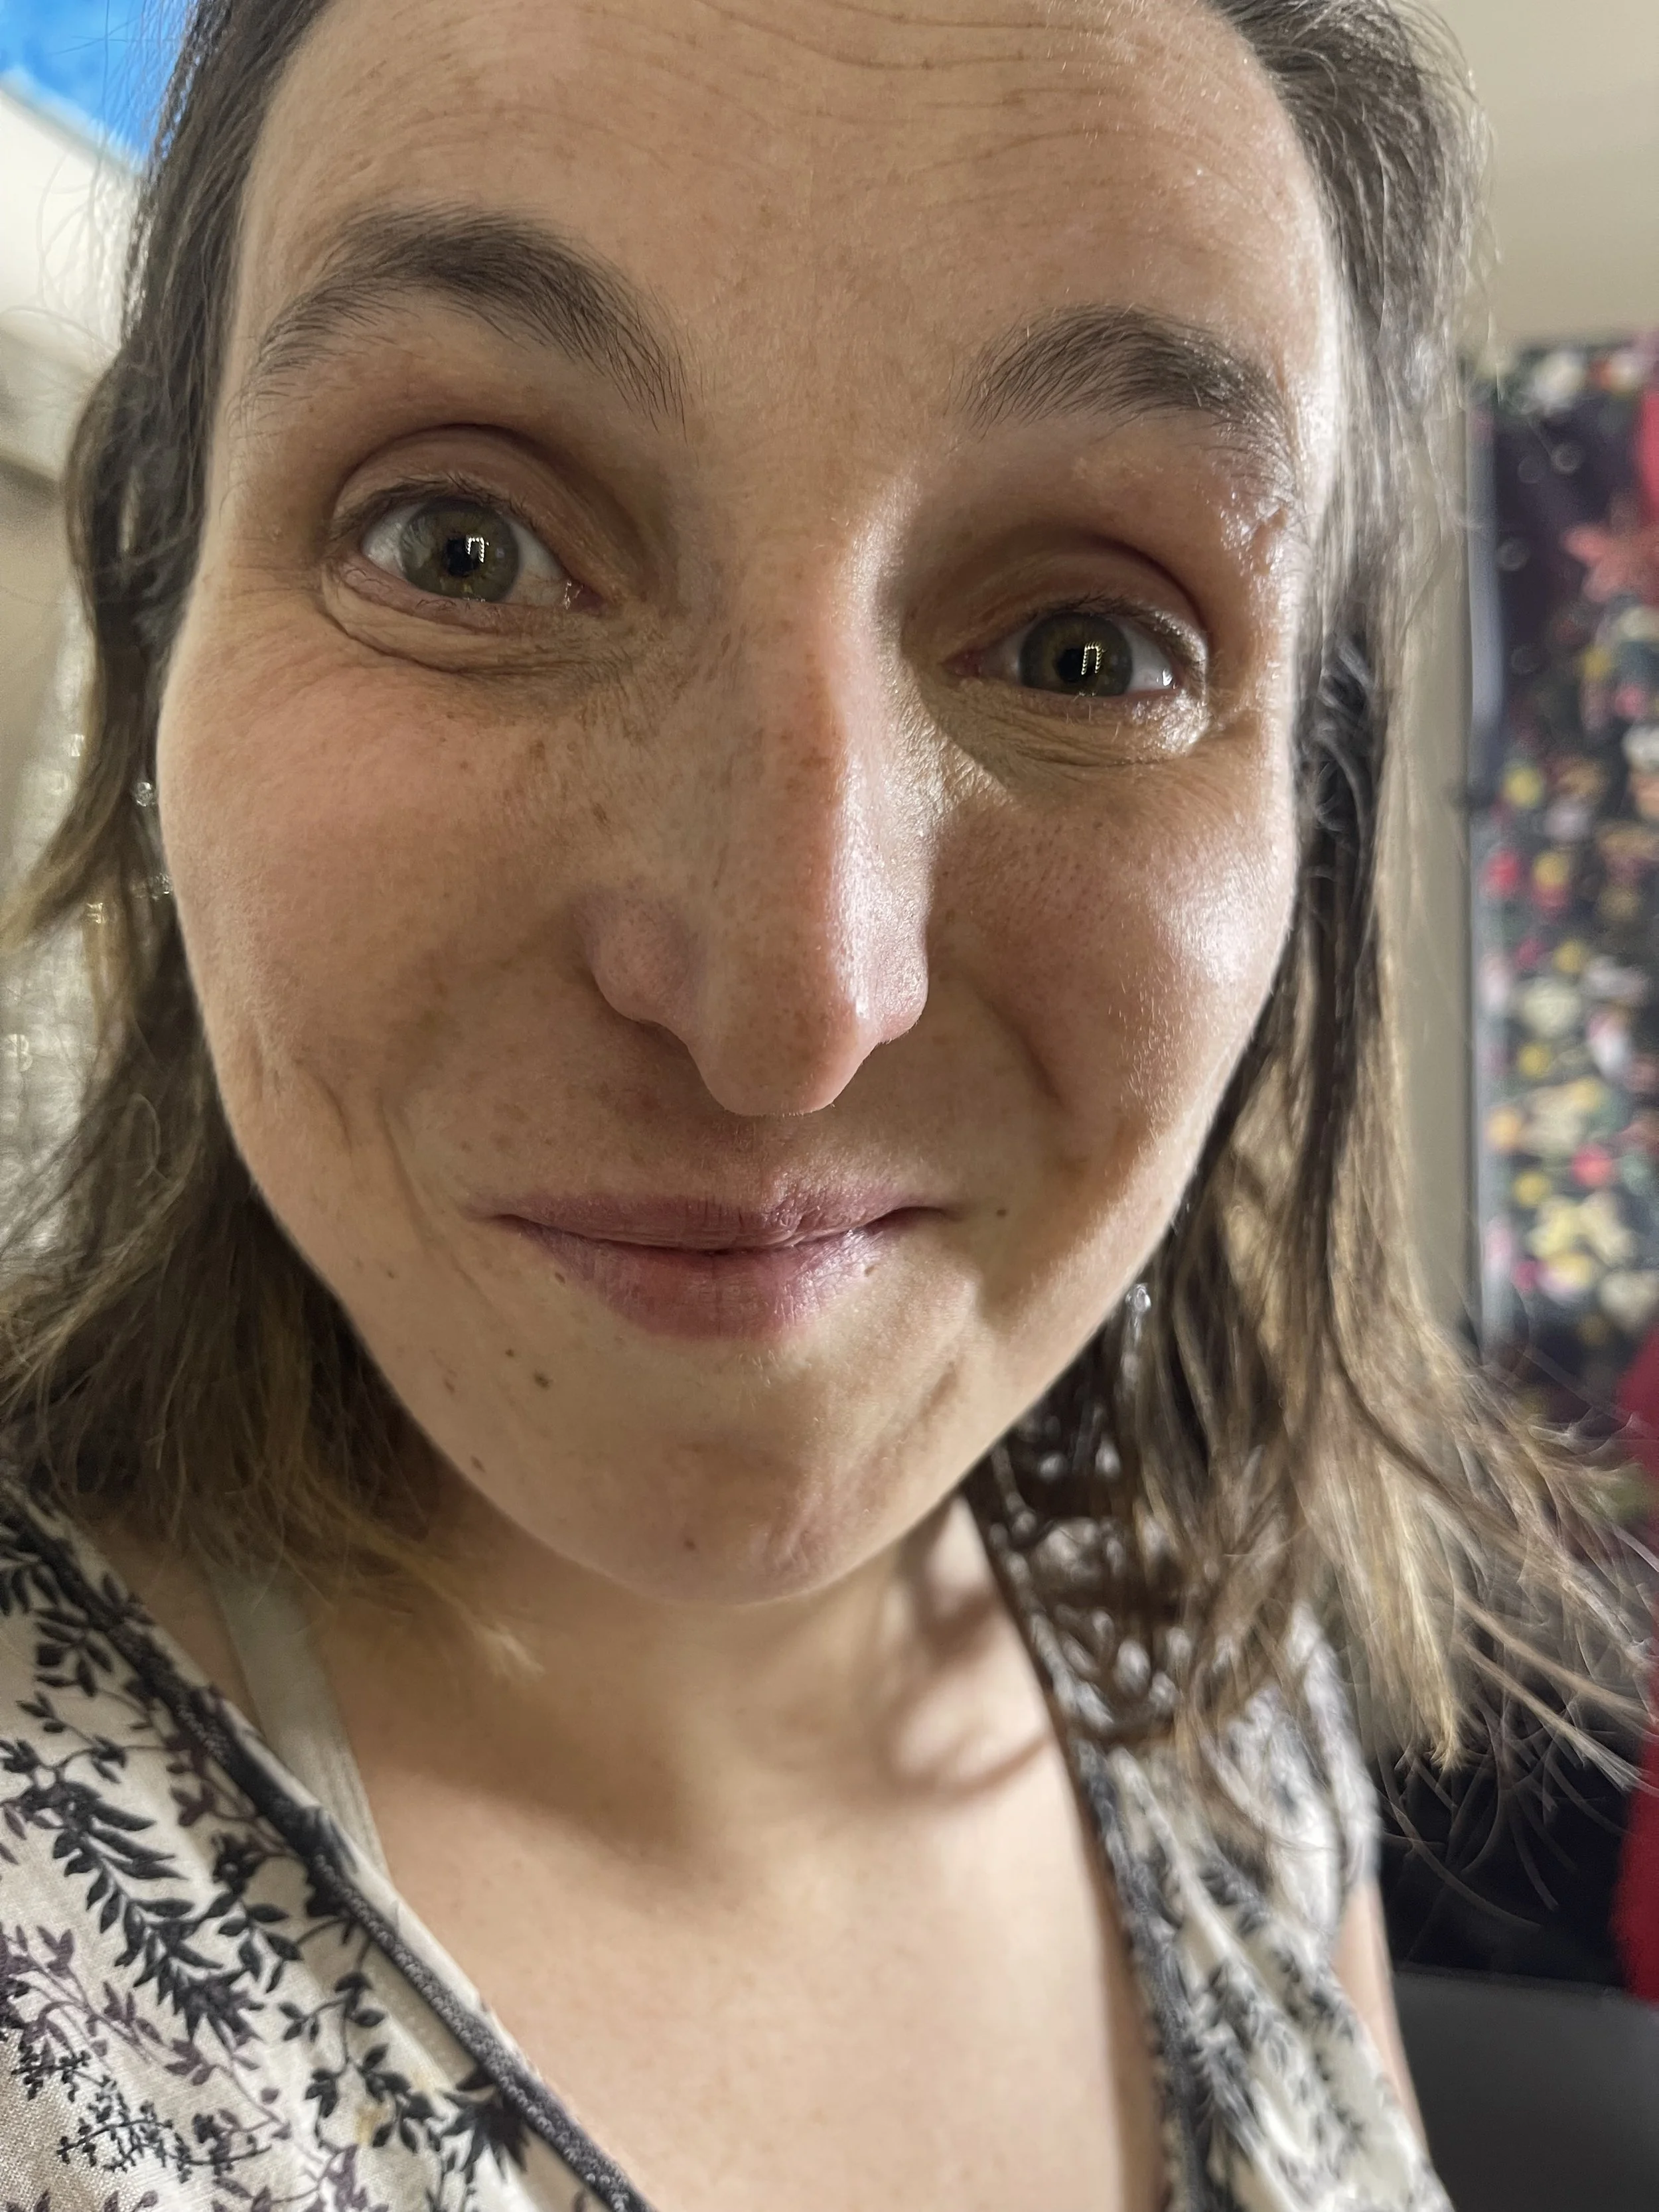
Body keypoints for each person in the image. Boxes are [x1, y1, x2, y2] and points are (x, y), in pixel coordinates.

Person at [0, 1, 1635, 2206]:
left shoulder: (1199, 1683)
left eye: (1089, 650)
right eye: (459, 542)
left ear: (1304, 834)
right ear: (157, 619)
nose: (791, 1006)